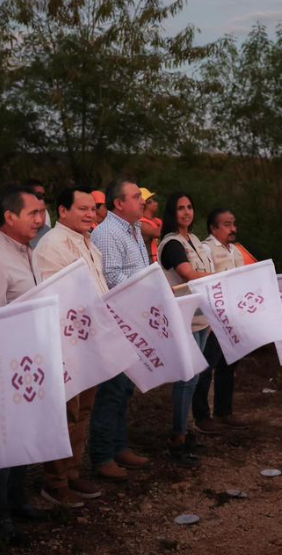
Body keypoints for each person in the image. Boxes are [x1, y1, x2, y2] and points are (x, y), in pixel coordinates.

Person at [0, 186, 48, 544]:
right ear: (9, 217)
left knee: (22, 438)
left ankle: (17, 501)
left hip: (28, 362)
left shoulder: (26, 251)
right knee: (1, 445)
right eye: (33, 213)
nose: (40, 219)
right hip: (3, 366)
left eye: (41, 212)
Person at [32, 186, 109, 507]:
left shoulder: (88, 241)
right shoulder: (52, 245)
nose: (90, 214)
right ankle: (55, 480)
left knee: (84, 410)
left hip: (91, 339)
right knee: (66, 413)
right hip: (67, 342)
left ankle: (74, 470)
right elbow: (58, 298)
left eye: (93, 209)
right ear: (62, 211)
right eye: (83, 209)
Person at [88, 178, 151, 480]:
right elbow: (110, 276)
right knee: (112, 390)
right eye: (137, 196)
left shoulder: (134, 228)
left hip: (132, 317)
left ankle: (119, 446)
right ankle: (101, 456)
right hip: (115, 321)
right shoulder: (108, 232)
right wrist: (146, 281)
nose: (142, 201)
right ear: (119, 203)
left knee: (125, 388)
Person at [157, 193, 214, 467]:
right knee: (186, 378)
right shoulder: (172, 243)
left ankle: (187, 429)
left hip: (202, 318)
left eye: (190, 207)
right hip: (184, 318)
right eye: (180, 208)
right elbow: (188, 274)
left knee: (195, 377)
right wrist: (222, 277)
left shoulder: (195, 240)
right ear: (172, 212)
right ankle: (177, 437)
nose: (186, 212)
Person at [195, 208, 249, 434]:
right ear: (213, 228)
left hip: (234, 317)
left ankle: (224, 411)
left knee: (229, 364)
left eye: (234, 223)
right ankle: (201, 416)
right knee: (206, 366)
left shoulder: (236, 251)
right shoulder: (207, 249)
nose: (233, 229)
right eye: (227, 224)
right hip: (214, 320)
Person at [138, 187, 160, 262]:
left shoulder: (157, 221)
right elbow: (158, 233)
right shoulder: (140, 224)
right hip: (149, 265)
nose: (156, 203)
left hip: (159, 262)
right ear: (145, 204)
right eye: (151, 201)